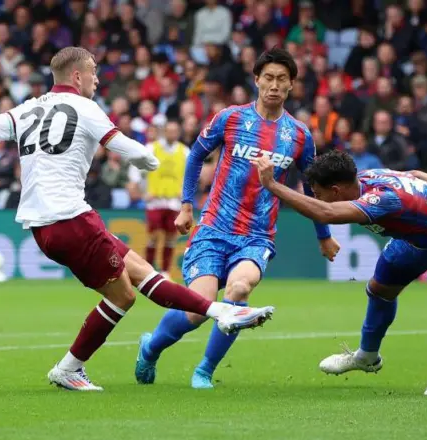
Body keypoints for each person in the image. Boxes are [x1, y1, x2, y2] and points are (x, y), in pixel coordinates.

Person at [0, 47, 274, 391]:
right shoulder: (85, 108)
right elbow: (128, 148)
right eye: (94, 72)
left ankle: (221, 312)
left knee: (141, 273)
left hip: (48, 224)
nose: (97, 79)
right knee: (125, 295)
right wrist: (149, 160)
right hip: (70, 219)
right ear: (77, 76)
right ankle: (220, 313)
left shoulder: (28, 108)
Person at [135, 48, 341, 389]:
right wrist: (187, 205)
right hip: (214, 228)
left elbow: (311, 187)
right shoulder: (230, 118)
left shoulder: (300, 136)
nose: (274, 85)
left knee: (240, 290)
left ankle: (204, 371)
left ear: (291, 86)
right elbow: (197, 154)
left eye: (282, 80)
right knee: (197, 309)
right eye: (269, 78)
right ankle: (151, 347)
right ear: (257, 80)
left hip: (257, 237)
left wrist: (324, 233)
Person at [251, 150, 427, 395]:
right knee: (379, 290)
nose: (316, 198)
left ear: (336, 191)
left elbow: (326, 213)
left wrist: (272, 184)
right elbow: (413, 174)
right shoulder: (369, 177)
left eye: (318, 194)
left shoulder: (382, 198)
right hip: (415, 239)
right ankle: (366, 356)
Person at [140, 120, 188, 278]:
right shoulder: (152, 148)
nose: (172, 134)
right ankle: (148, 269)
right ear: (164, 132)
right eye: (169, 130)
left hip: (174, 201)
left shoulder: (184, 151)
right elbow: (138, 171)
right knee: (153, 236)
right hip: (155, 200)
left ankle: (165, 271)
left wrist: (185, 193)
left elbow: (190, 175)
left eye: (175, 131)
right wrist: (142, 190)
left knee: (170, 237)